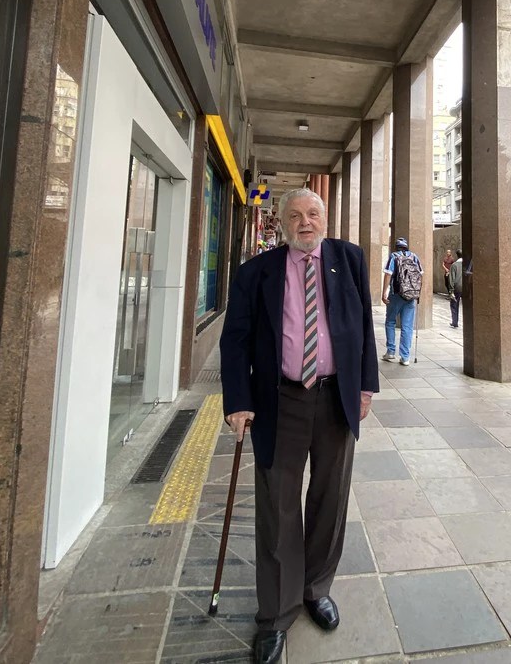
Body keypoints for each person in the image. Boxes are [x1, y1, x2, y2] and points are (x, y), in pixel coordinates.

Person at [220, 188, 379, 664]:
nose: (304, 222)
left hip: (335, 397)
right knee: (278, 505)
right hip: (278, 400)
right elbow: (236, 339)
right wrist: (238, 401)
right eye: (295, 215)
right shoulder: (257, 272)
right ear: (282, 222)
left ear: (325, 218)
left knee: (330, 498)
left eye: (312, 214)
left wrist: (365, 387)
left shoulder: (348, 259)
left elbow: (364, 326)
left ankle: (315, 588)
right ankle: (276, 612)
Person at [381, 237, 422, 365]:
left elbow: (388, 274)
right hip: (411, 296)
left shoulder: (393, 257)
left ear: (396, 246)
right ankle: (405, 357)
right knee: (407, 326)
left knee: (390, 322)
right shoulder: (414, 257)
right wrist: (417, 292)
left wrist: (384, 293)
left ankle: (391, 352)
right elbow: (420, 274)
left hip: (396, 294)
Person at [447, 249, 464, 328]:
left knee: (454, 305)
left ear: (457, 255)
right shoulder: (466, 264)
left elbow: (452, 279)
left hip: (457, 288)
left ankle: (455, 322)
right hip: (466, 288)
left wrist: (451, 291)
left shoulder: (454, 265)